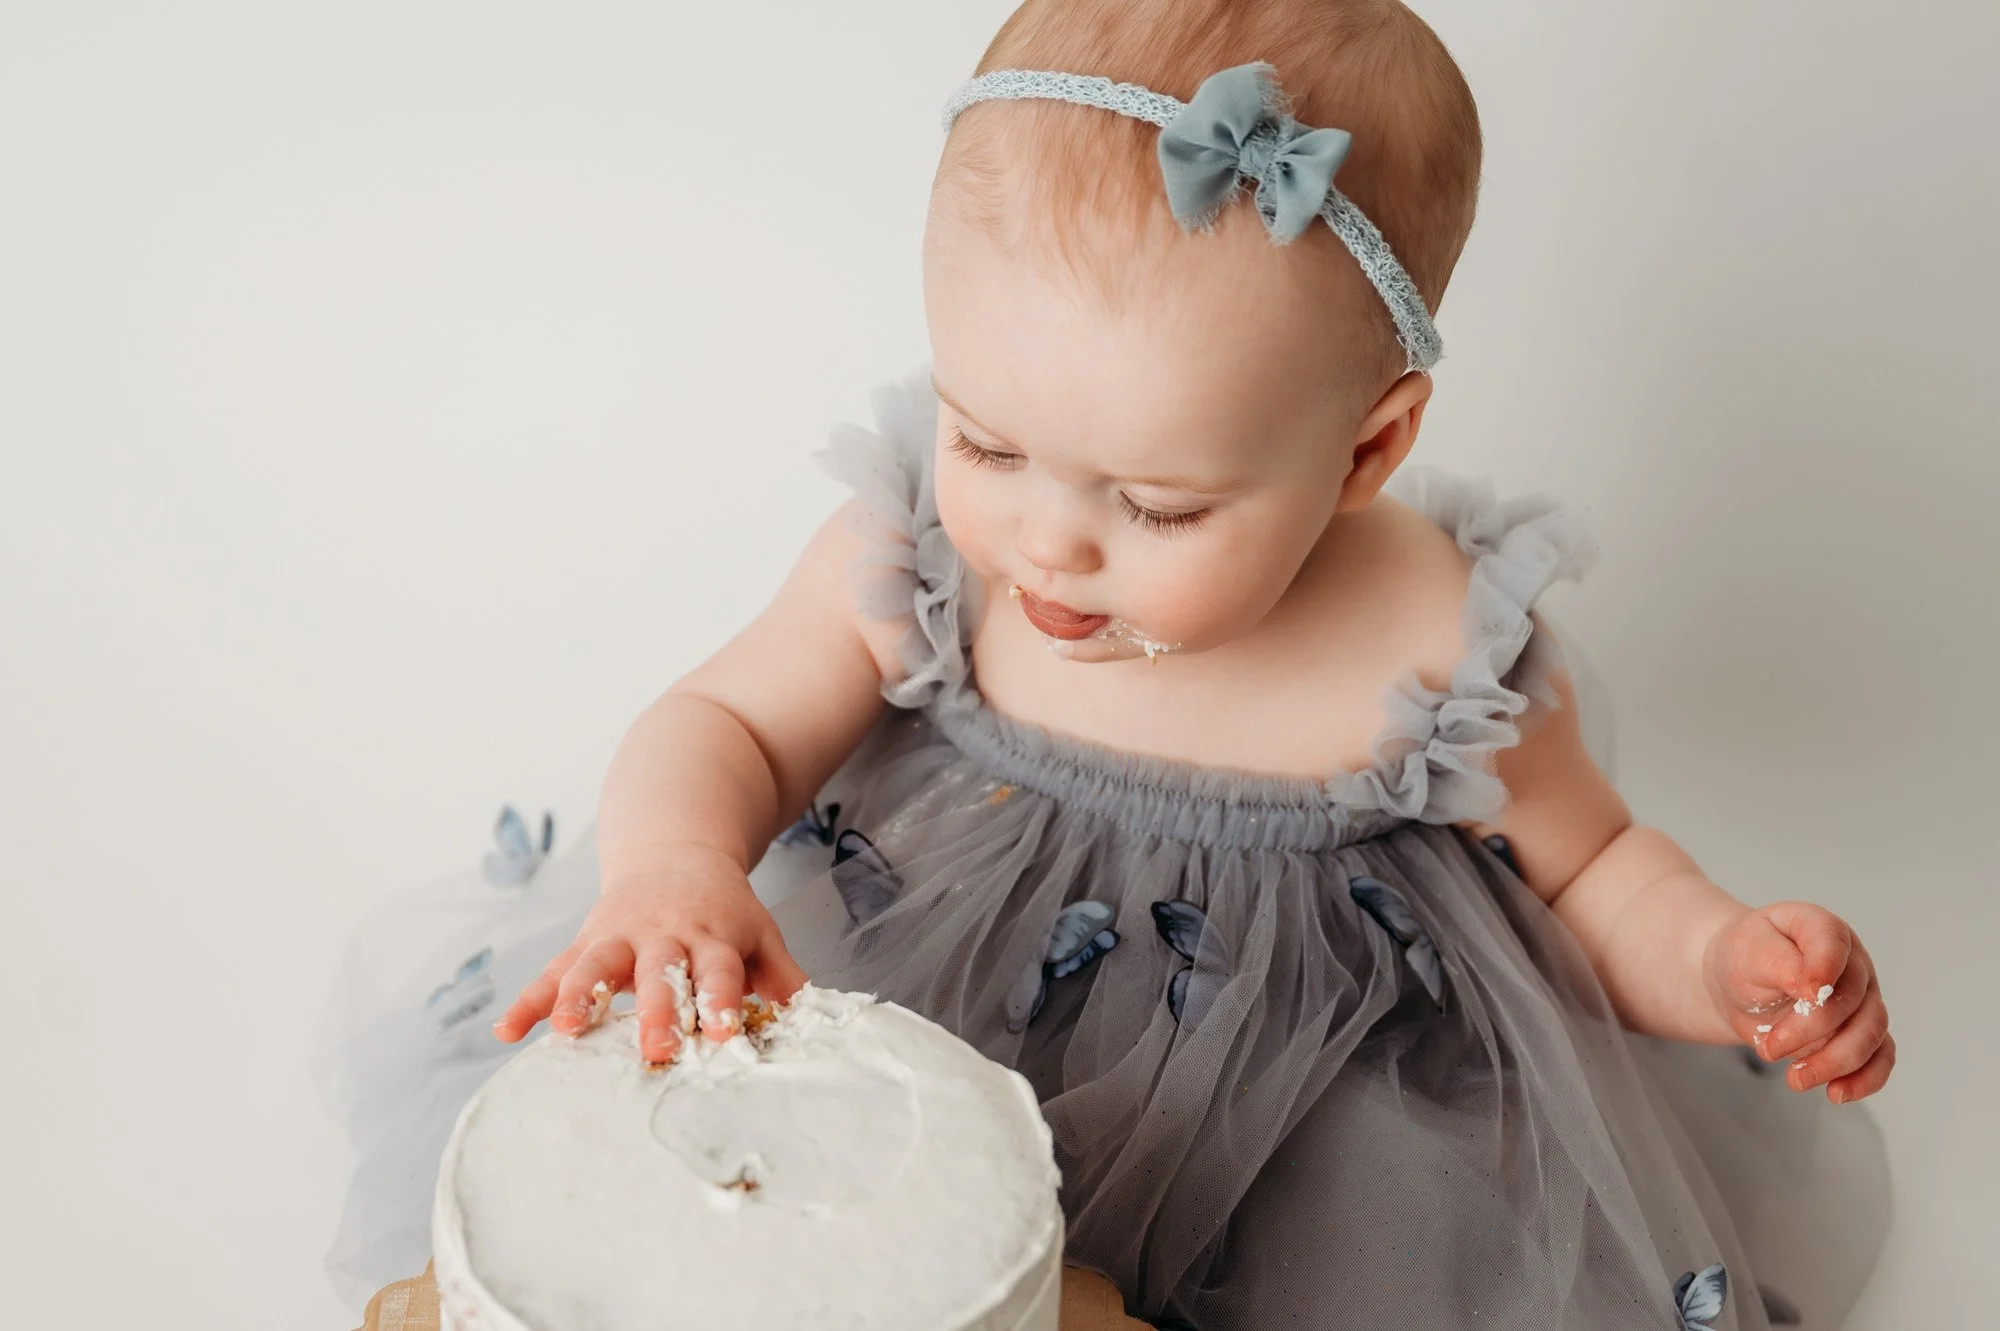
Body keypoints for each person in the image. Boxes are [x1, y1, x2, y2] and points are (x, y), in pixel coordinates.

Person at [335, 2, 1895, 1326]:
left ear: (1368, 447)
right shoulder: (919, 561)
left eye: (1157, 502)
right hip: (928, 1008)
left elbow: (1599, 873)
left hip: (1300, 1112)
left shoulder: (1437, 639)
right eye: (988, 440)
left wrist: (1721, 962)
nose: (1050, 544)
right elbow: (730, 716)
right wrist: (675, 862)